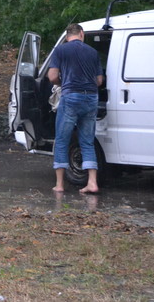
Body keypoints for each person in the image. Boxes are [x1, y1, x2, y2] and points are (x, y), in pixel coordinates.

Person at [47, 23, 103, 194]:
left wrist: (63, 83)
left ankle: (59, 184)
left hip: (71, 97)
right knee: (87, 141)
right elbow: (99, 81)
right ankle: (92, 183)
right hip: (91, 98)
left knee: (62, 140)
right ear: (81, 34)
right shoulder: (93, 52)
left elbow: (52, 76)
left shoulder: (60, 50)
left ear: (66, 37)